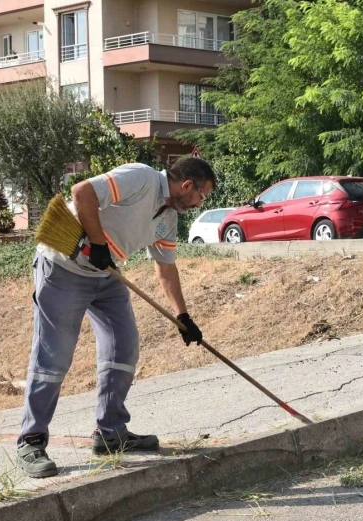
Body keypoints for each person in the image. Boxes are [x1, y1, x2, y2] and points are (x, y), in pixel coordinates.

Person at [17, 157, 216, 478]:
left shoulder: (167, 218)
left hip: (105, 274)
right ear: (188, 185)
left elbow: (165, 267)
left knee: (123, 347)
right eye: (201, 196)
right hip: (62, 266)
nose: (199, 203)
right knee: (55, 355)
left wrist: (183, 316)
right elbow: (82, 192)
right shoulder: (141, 178)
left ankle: (110, 433)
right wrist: (97, 243)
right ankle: (31, 438)